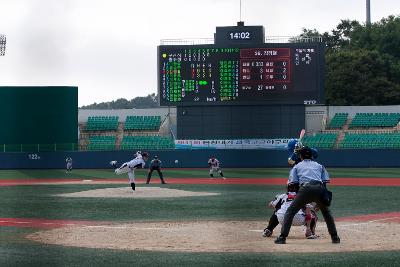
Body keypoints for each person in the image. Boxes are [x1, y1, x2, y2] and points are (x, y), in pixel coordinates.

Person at [274, 146, 340, 244]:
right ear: (311, 156)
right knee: (326, 213)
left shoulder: (297, 166)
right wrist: (322, 199)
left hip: (305, 189)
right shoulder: (319, 165)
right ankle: (335, 237)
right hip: (319, 188)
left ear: (300, 156)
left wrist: (300, 199)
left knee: (290, 212)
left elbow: (293, 184)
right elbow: (324, 183)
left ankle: (282, 237)